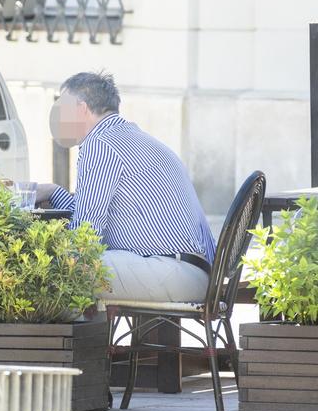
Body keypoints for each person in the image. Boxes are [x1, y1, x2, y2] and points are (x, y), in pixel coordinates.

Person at [39, 71, 216, 303]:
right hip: (192, 271)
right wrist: (54, 192)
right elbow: (96, 213)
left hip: (171, 271)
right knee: (74, 263)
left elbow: (86, 234)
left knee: (55, 267)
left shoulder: (100, 145)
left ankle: (60, 340)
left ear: (81, 109)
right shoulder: (133, 138)